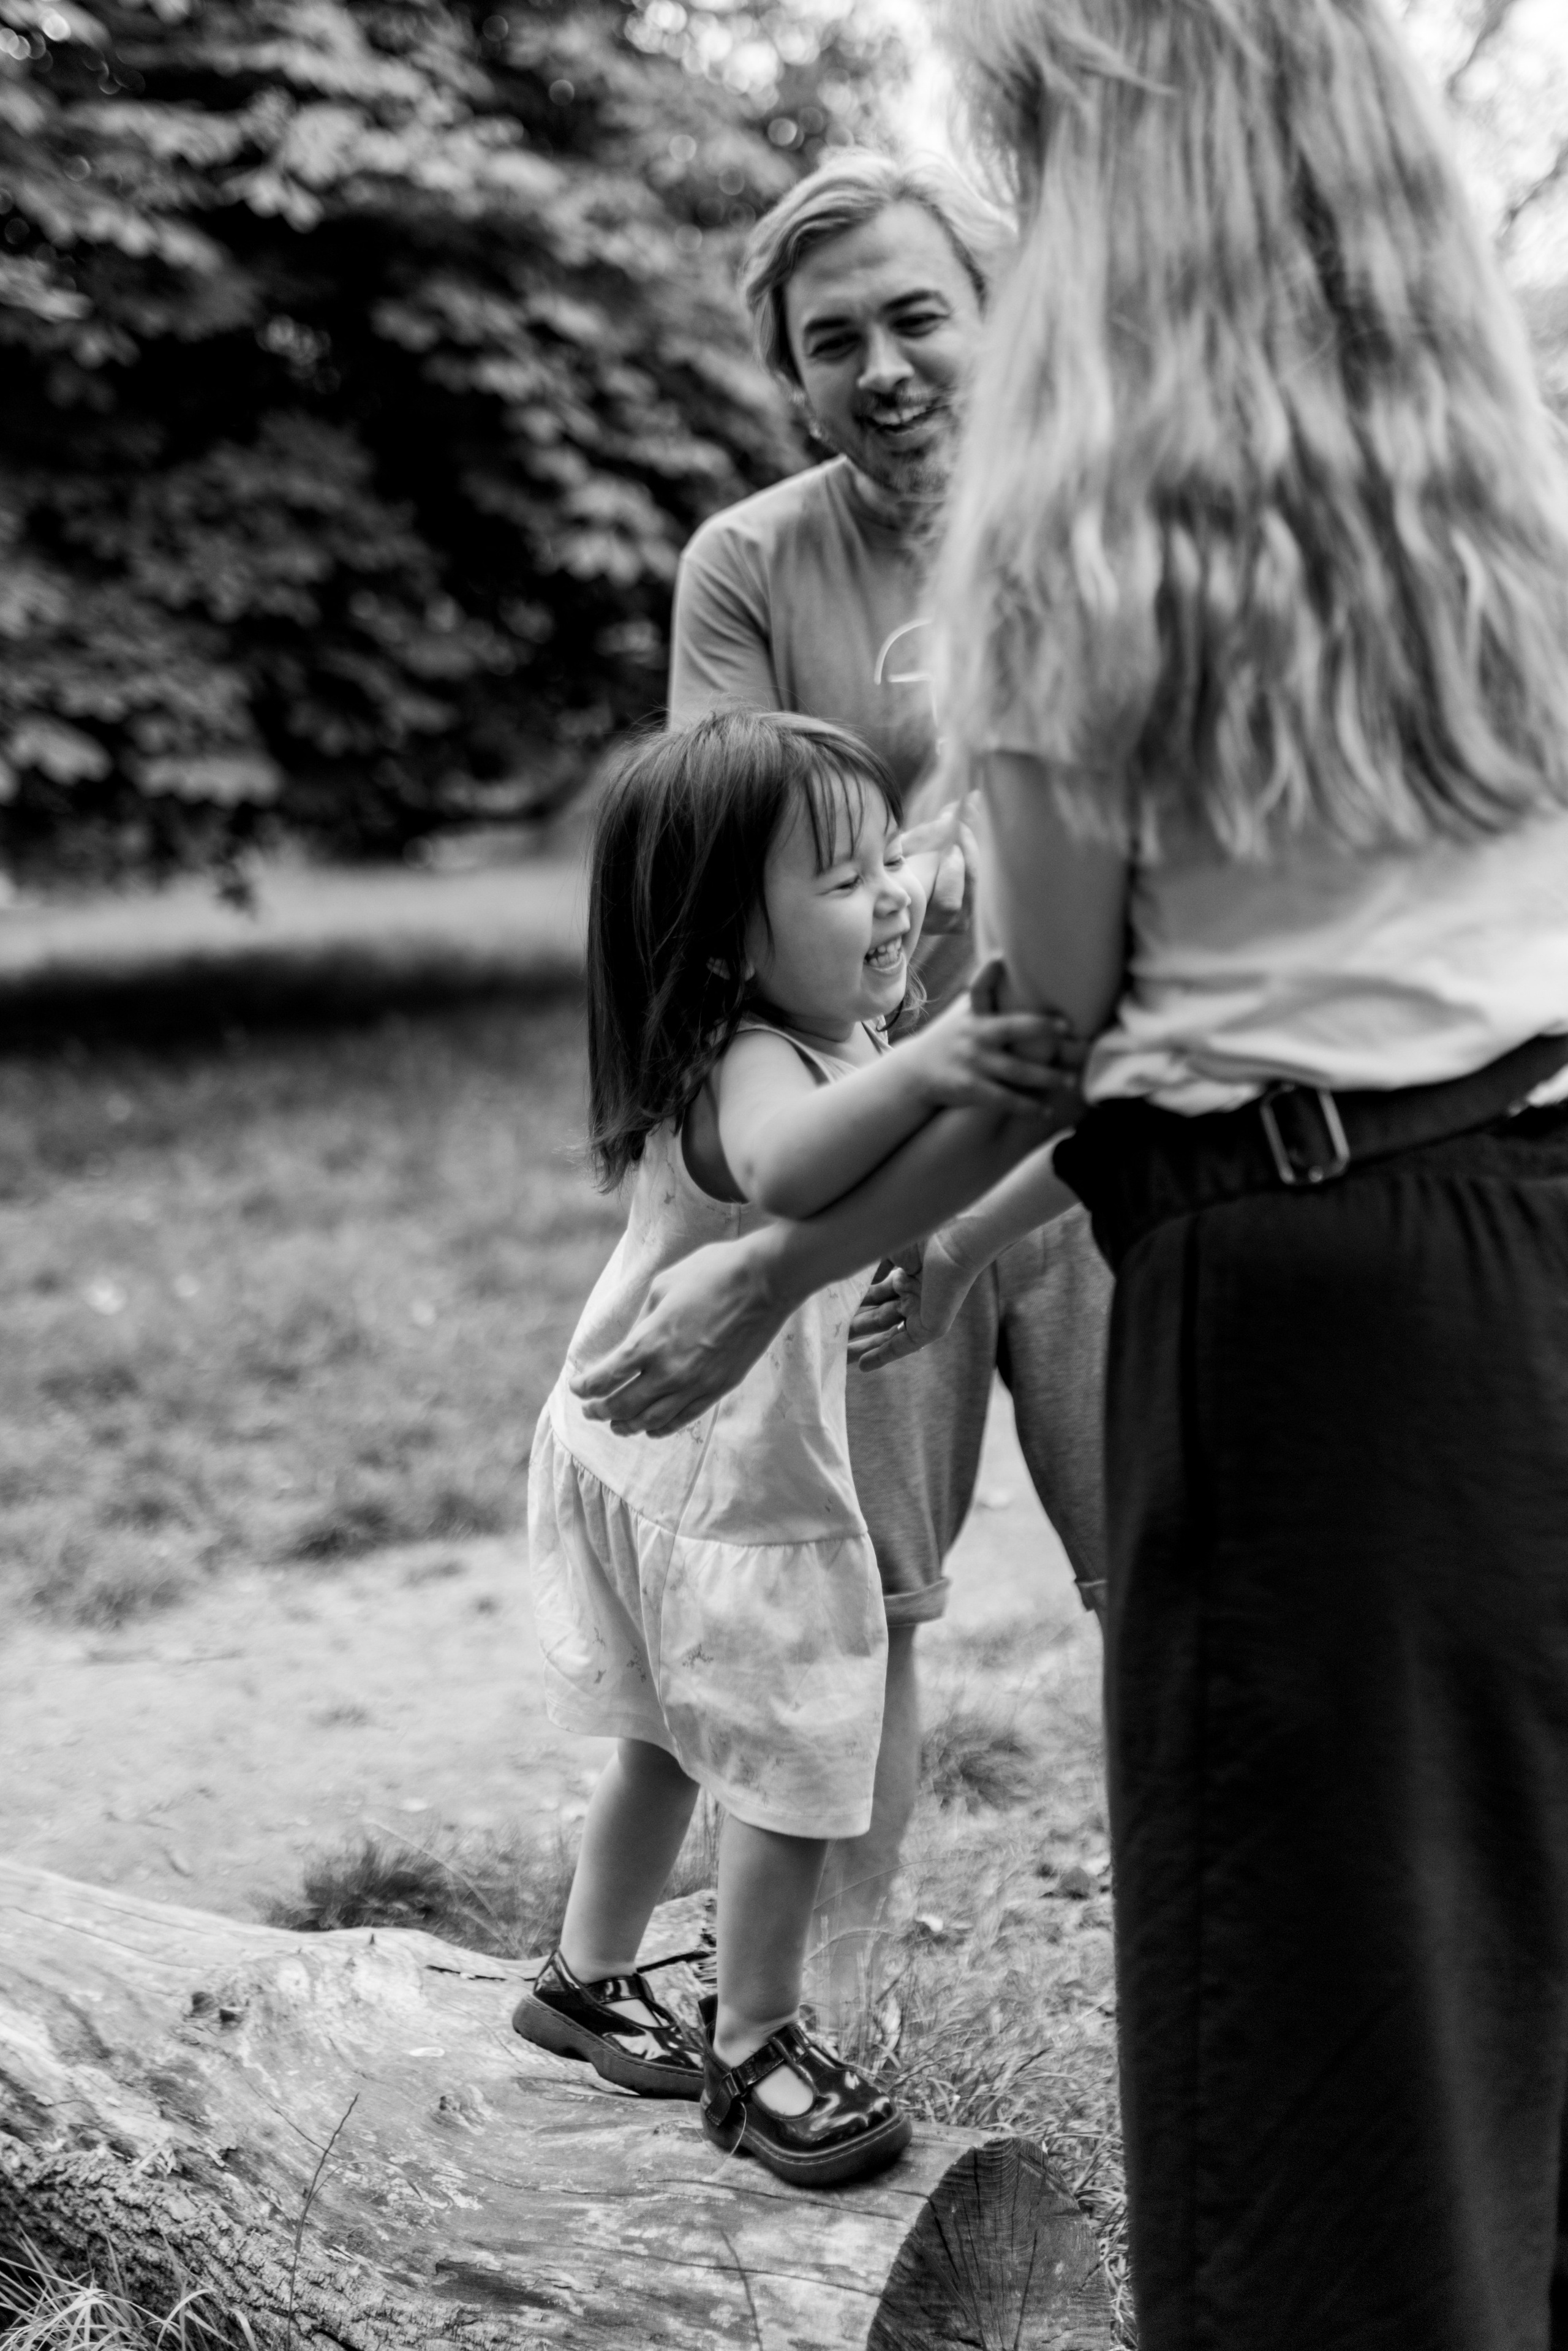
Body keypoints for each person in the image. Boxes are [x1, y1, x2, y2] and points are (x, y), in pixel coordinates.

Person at [918, 1, 1568, 2343]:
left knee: (1316, 2044)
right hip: (1538, 1223)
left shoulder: (1073, 561)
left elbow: (1053, 1034)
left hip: (1305, 1314)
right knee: (1527, 1974)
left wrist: (769, 1254)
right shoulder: (1524, 502)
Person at [662, 149, 1115, 2004]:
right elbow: (713, 850)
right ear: (789, 372)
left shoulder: (1104, 518)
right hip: (870, 1149)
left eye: (920, 315)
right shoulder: (751, 562)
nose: (887, 367)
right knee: (870, 1609)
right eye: (832, 340)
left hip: (1109, 1132)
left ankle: (1220, 1978)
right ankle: (831, 2009)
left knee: (1178, 1575)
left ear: (994, 315)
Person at [515, 709, 1069, 2187]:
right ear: (716, 942)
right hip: (730, 1503)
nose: (892, 895)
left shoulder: (812, 1029)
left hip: (645, 1460)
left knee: (664, 1739)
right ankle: (754, 2043)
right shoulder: (751, 1058)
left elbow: (940, 1165)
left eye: (890, 856)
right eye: (840, 878)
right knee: (779, 1766)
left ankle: (580, 1978)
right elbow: (785, 1168)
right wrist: (954, 1042)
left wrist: (951, 1228)